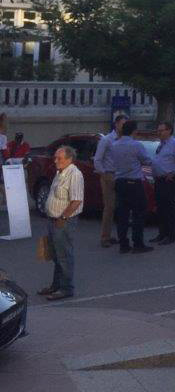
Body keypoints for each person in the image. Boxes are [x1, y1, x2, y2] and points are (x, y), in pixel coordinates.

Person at [37, 145, 83, 300]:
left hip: (63, 221)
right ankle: (56, 286)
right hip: (53, 219)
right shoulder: (60, 172)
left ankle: (66, 288)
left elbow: (76, 200)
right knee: (56, 255)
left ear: (69, 159)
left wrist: (63, 218)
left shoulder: (74, 174)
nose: (55, 160)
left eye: (59, 158)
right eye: (55, 157)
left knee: (64, 255)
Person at [110, 119, 153, 254]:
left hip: (119, 181)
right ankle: (138, 243)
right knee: (138, 213)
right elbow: (146, 160)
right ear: (134, 131)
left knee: (122, 214)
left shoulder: (114, 145)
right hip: (134, 182)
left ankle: (123, 243)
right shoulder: (136, 145)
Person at [150, 121, 175, 245]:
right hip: (159, 180)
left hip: (168, 180)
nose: (159, 132)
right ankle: (162, 233)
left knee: (169, 208)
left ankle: (170, 235)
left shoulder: (174, 143)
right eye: (158, 130)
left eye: (162, 130)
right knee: (160, 208)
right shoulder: (161, 144)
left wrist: (174, 172)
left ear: (169, 131)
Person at [93, 113, 127, 248]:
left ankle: (118, 235)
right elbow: (97, 159)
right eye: (123, 124)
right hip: (110, 174)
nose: (124, 127)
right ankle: (105, 237)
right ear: (116, 124)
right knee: (109, 207)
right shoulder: (107, 140)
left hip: (122, 175)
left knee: (121, 206)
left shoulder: (125, 139)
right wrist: (104, 174)